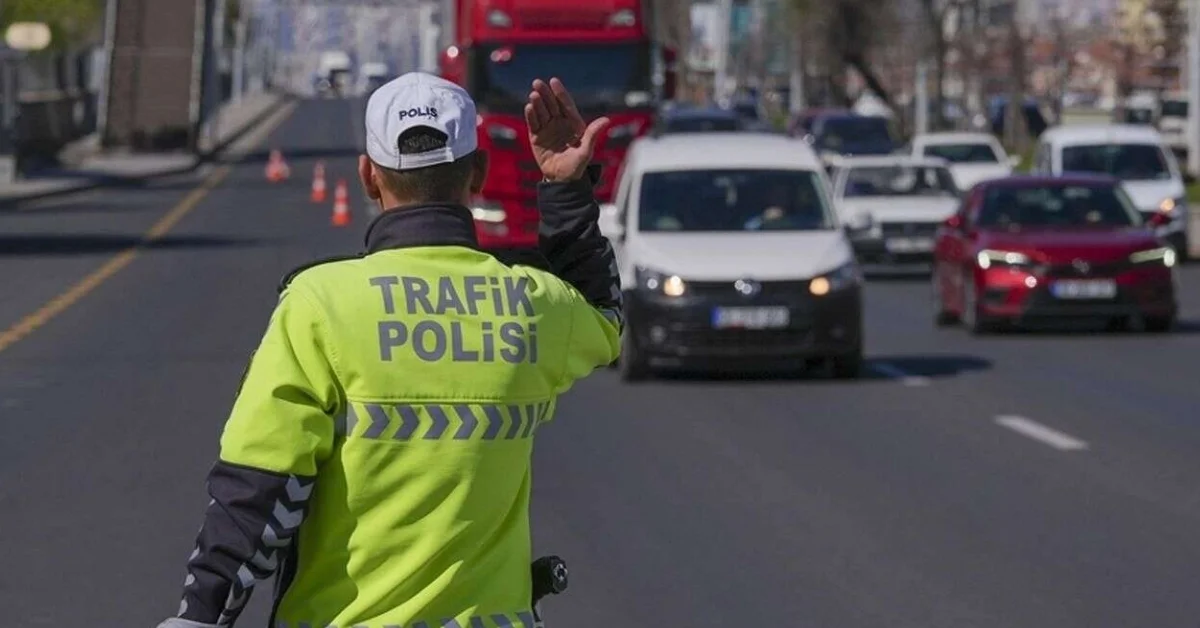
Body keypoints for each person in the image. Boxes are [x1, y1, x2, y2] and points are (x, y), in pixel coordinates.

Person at [155, 72, 622, 628]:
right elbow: (605, 317)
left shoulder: (320, 304)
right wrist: (566, 190)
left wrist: (201, 615)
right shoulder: (531, 303)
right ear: (479, 174)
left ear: (369, 177)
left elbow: (259, 489)